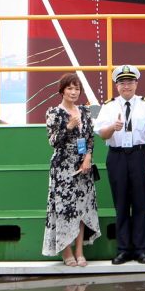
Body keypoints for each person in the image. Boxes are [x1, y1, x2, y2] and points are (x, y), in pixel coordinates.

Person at [95, 64, 145, 265]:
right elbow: (102, 135)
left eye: (130, 82)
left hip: (139, 155)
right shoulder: (109, 106)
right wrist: (112, 128)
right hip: (117, 156)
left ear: (136, 84)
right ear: (117, 86)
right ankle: (123, 250)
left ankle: (141, 249)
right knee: (121, 204)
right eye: (122, 83)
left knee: (140, 204)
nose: (126, 86)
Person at [42, 72, 101, 266]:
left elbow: (90, 138)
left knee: (82, 208)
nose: (74, 92)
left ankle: (79, 250)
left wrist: (88, 158)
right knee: (65, 209)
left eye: (77, 88)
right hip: (63, 167)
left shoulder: (85, 111)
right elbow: (53, 142)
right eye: (70, 88)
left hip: (83, 165)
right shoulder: (54, 112)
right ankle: (66, 251)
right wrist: (68, 127)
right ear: (62, 91)